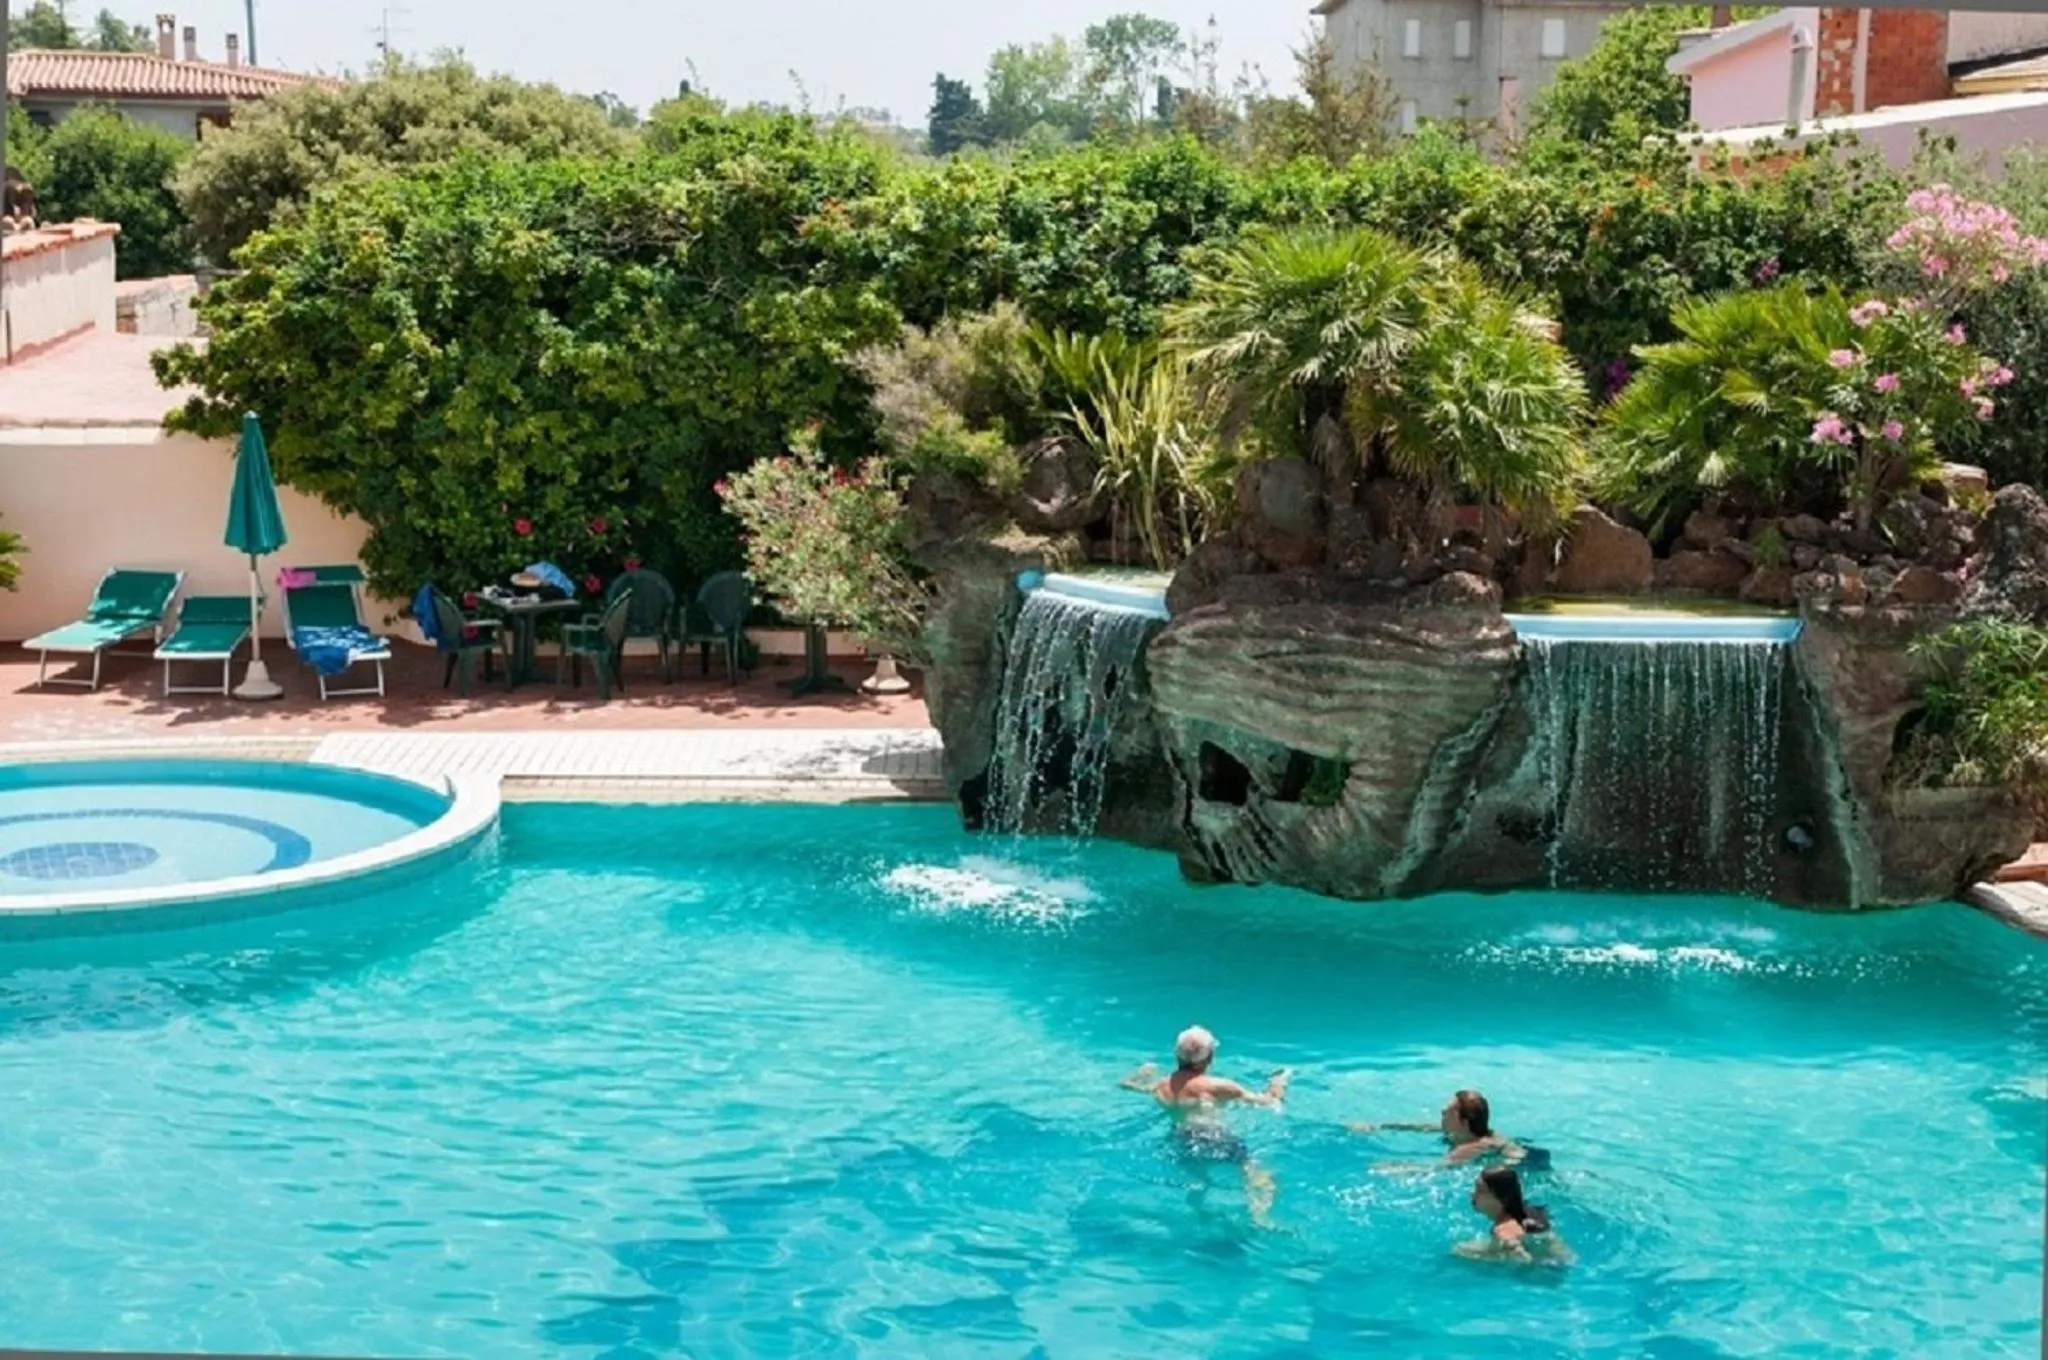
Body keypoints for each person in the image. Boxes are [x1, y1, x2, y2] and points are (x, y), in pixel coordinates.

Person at [1122, 1026, 1291, 1224]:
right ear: (1210, 1057)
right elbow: (1269, 1102)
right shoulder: (1218, 1086)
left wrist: (1143, 1072)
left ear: (1177, 1055)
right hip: (1214, 1137)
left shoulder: (1161, 1085)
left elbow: (1128, 1085)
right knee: (1254, 1169)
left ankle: (1199, 1213)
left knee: (1199, 1182)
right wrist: (1278, 1082)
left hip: (1180, 1139)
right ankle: (1260, 1216)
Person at [1352, 1088, 1535, 1169]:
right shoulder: (1463, 1131)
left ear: (1463, 1123)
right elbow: (1421, 1127)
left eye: (1447, 1113)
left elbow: (1439, 1167)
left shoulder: (1474, 1146)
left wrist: (1397, 1168)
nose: (1441, 1112)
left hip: (1527, 1165)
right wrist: (1377, 1126)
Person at [1457, 1165, 1570, 1264]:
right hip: (1564, 1257)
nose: (1472, 1194)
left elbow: (1523, 1259)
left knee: (1460, 1250)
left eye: (1480, 1190)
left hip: (1546, 1271)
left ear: (1500, 1199)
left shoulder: (1502, 1229)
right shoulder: (1529, 1211)